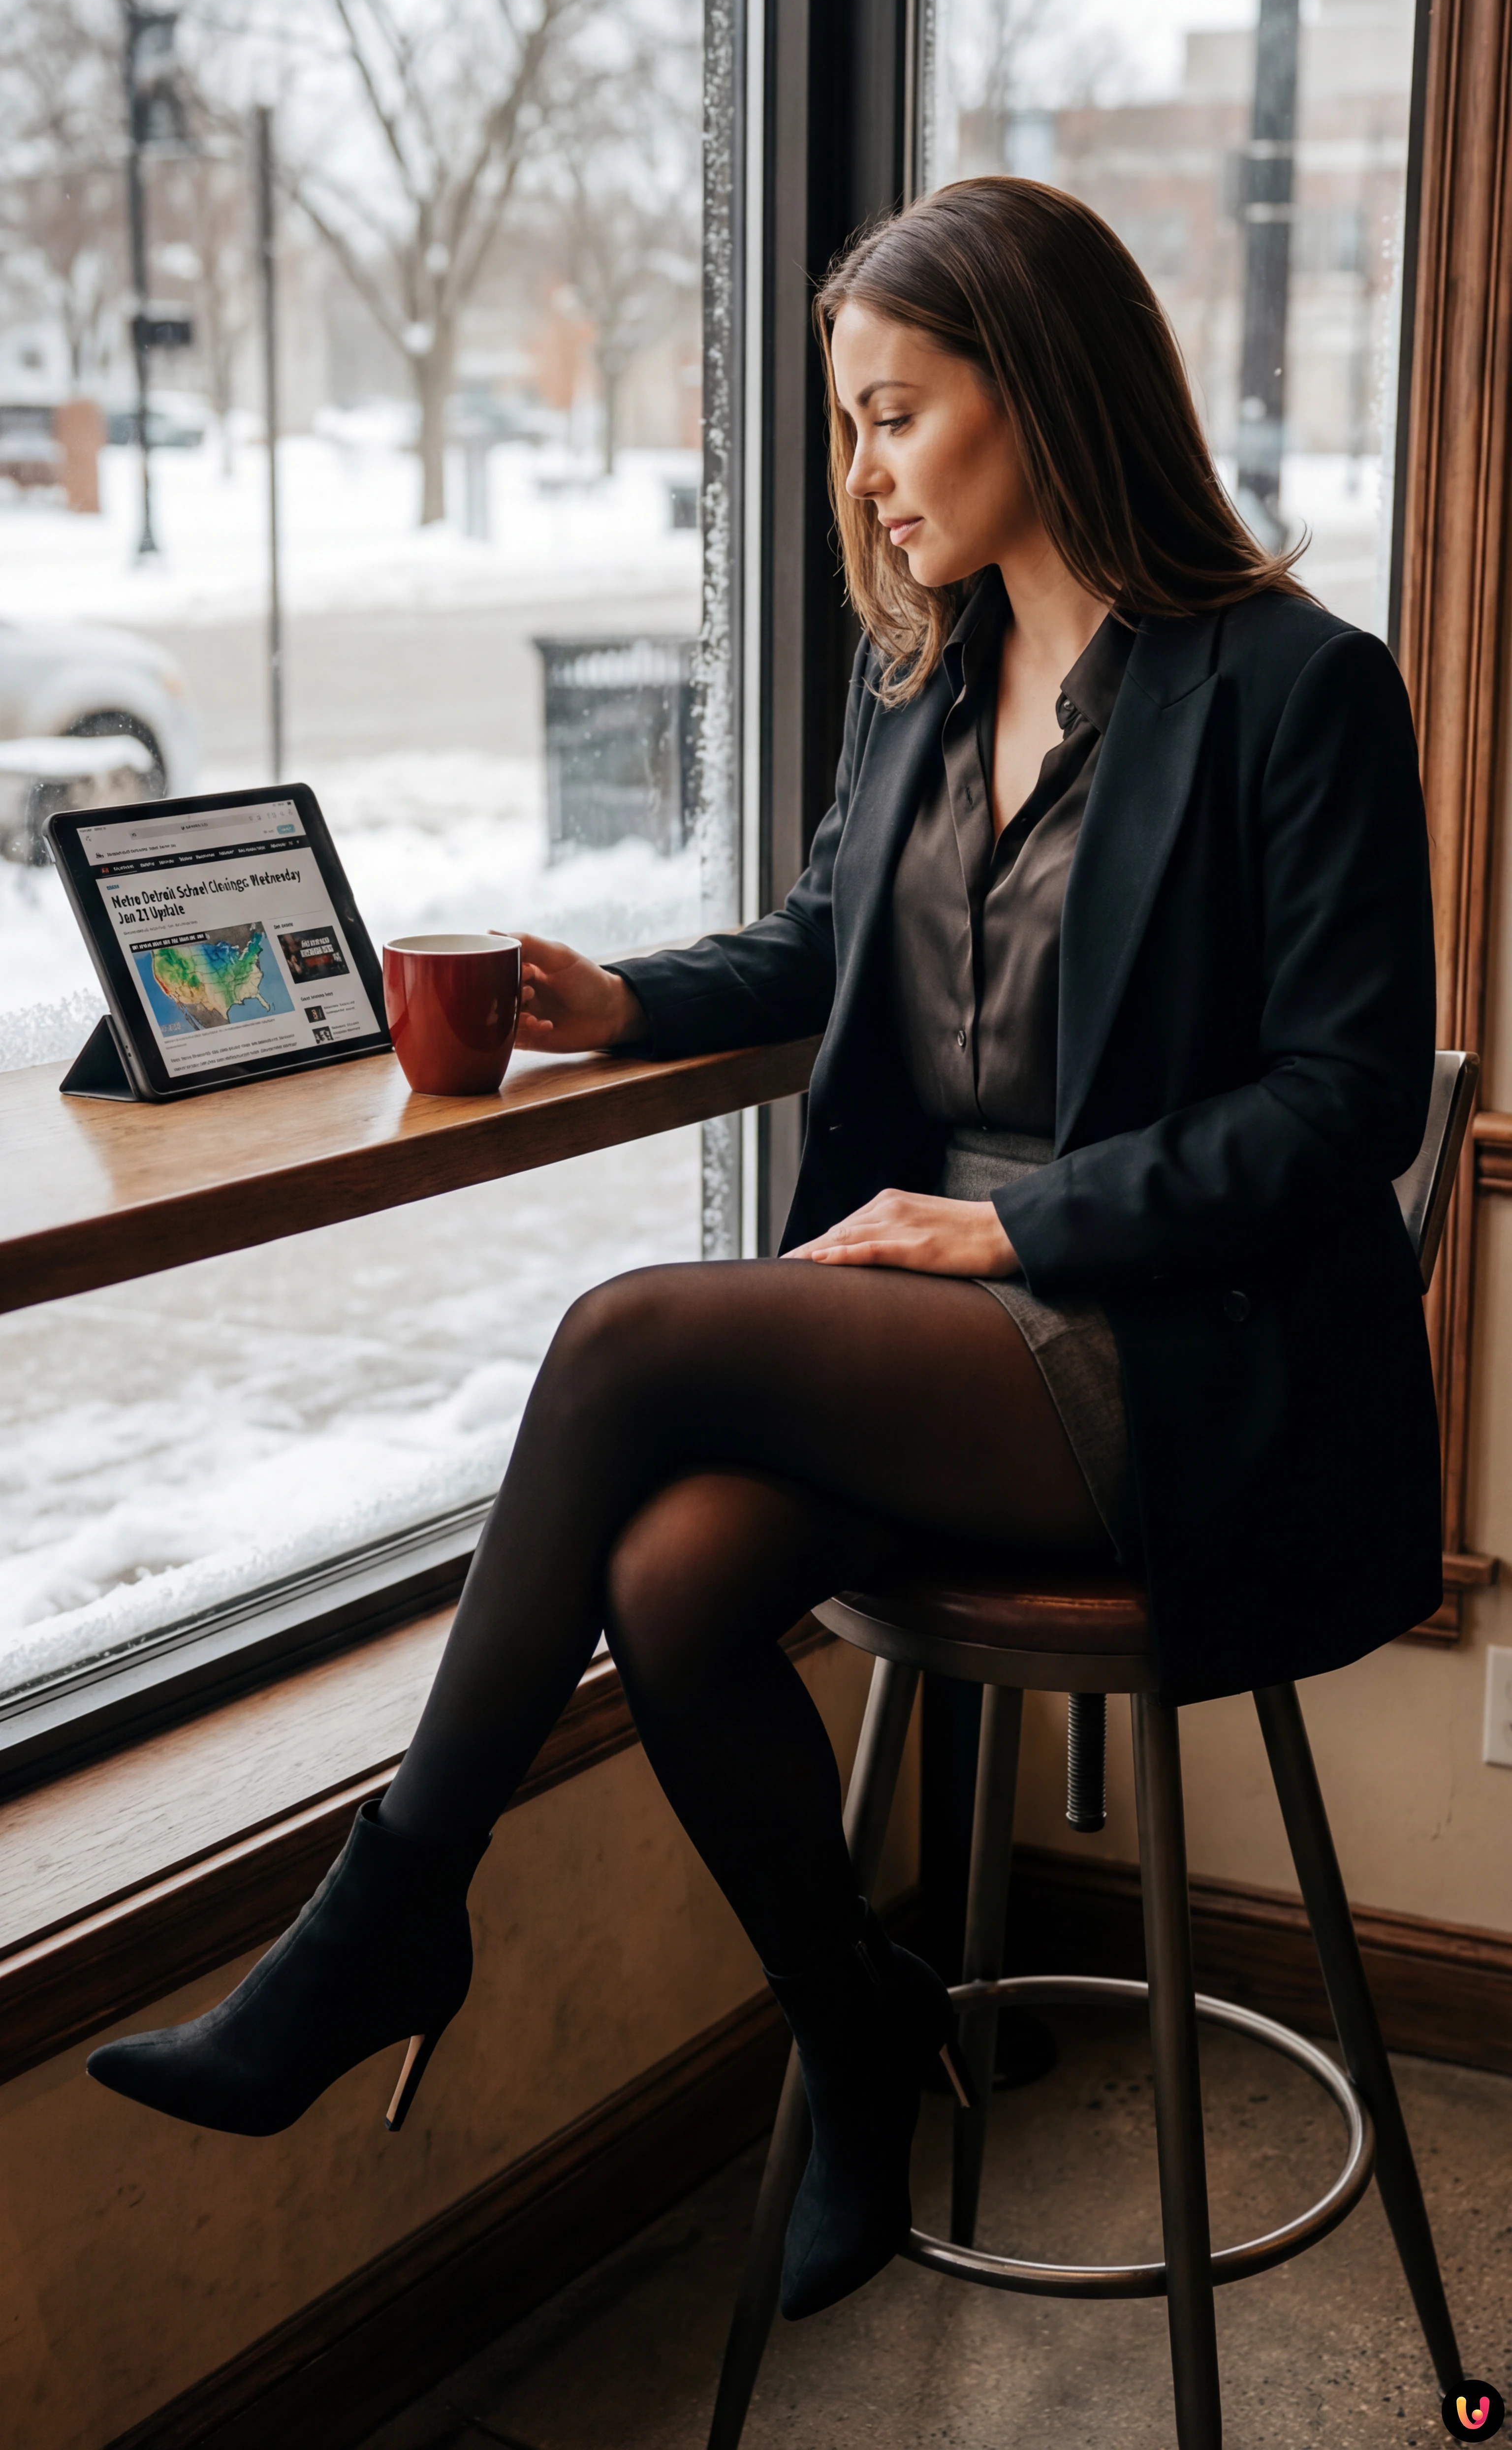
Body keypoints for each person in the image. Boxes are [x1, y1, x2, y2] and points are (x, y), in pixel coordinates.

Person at [88, 178, 1442, 2324]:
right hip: (947, 1306)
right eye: (848, 427)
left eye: (896, 412)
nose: (867, 474)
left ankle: (393, 1909)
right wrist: (616, 999)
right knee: (667, 1582)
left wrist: (1016, 1219)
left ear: (1045, 383)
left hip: (1191, 1344)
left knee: (627, 1338)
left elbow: (1347, 1099)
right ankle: (861, 2031)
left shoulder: (1297, 687)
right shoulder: (929, 685)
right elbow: (839, 942)